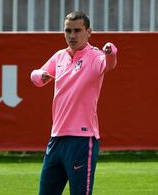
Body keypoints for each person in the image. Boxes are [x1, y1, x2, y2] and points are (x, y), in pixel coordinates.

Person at [30, 11, 118, 195]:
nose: (72, 35)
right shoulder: (60, 56)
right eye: (68, 30)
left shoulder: (95, 56)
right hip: (56, 138)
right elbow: (36, 77)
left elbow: (108, 64)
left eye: (77, 30)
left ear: (89, 32)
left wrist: (111, 51)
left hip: (82, 139)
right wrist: (40, 74)